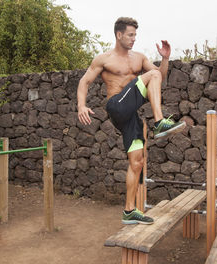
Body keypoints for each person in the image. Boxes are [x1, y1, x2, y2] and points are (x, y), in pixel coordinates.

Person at [77, 17, 185, 225]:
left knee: (137, 161)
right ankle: (160, 121)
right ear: (119, 35)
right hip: (116, 105)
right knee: (151, 76)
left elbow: (158, 77)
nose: (134, 39)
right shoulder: (104, 59)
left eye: (135, 35)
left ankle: (129, 210)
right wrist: (81, 105)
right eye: (130, 35)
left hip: (129, 116)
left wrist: (165, 59)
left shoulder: (139, 58)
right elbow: (85, 81)